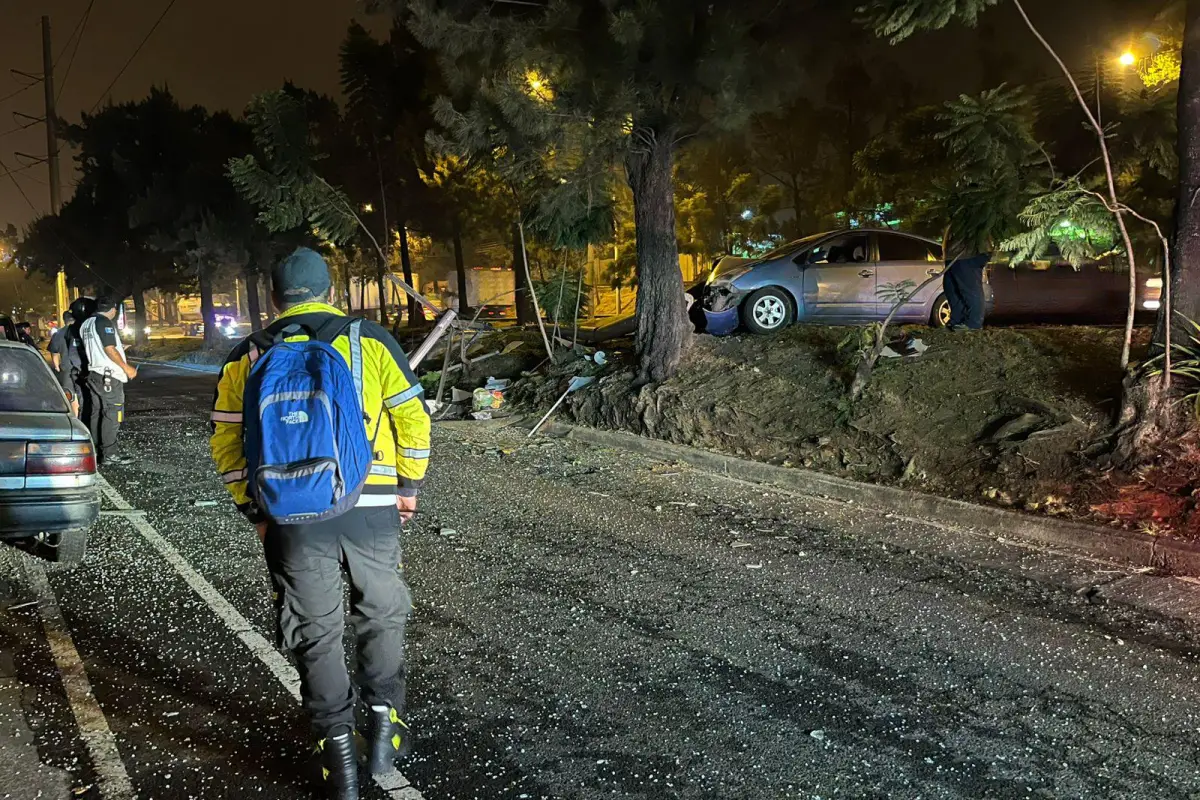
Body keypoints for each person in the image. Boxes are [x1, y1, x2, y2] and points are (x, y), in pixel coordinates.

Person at [210, 247, 430, 799]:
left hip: (289, 510)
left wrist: (252, 509)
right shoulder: (369, 340)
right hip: (371, 503)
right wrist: (407, 486)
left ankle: (338, 758)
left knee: (314, 627)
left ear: (276, 298)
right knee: (380, 611)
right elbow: (412, 417)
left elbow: (226, 442)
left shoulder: (249, 354)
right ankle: (385, 729)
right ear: (329, 291)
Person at [79, 298, 137, 464]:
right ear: (113, 309)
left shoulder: (86, 323)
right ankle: (110, 454)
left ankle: (96, 450)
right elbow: (109, 349)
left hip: (94, 374)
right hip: (109, 376)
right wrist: (127, 368)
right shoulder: (104, 322)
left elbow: (96, 346)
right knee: (112, 413)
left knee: (97, 412)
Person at [942, 234, 992, 331]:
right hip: (954, 254)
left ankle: (974, 324)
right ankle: (957, 320)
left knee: (970, 289)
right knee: (951, 288)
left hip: (968, 254)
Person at [48, 312, 80, 415]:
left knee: (72, 397)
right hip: (82, 368)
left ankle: (75, 420)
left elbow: (54, 353)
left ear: (64, 320)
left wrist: (57, 367)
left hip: (67, 369)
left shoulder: (58, 334)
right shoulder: (81, 330)